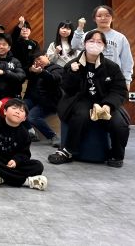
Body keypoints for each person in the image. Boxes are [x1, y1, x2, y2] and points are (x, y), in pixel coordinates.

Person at [49, 30, 129, 167]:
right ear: (85, 43)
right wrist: (73, 73)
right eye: (91, 41)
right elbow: (67, 89)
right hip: (81, 100)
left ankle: (116, 154)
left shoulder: (112, 67)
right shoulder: (72, 64)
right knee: (80, 116)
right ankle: (68, 151)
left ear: (104, 46)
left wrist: (108, 105)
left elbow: (119, 90)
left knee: (119, 124)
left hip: (105, 101)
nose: (94, 44)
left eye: (99, 42)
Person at [0, 98, 47, 190]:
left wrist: (16, 160)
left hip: (14, 164)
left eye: (21, 111)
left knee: (38, 166)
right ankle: (25, 181)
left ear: (24, 118)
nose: (17, 112)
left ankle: (3, 178)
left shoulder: (25, 133)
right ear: (5, 111)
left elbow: (25, 154)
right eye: (14, 108)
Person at [71, 5, 134, 89]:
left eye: (107, 15)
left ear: (112, 18)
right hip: (90, 77)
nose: (103, 18)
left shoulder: (120, 38)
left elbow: (127, 61)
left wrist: (127, 81)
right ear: (94, 19)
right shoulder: (88, 35)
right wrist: (80, 28)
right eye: (99, 16)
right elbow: (75, 46)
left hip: (113, 78)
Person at [24, 51, 63, 147]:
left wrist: (41, 72)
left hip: (48, 102)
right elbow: (23, 74)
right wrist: (30, 70)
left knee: (32, 117)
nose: (38, 62)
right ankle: (31, 131)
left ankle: (53, 136)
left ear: (46, 56)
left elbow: (54, 79)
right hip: (33, 99)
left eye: (39, 58)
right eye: (35, 60)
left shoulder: (56, 68)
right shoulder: (35, 70)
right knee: (19, 107)